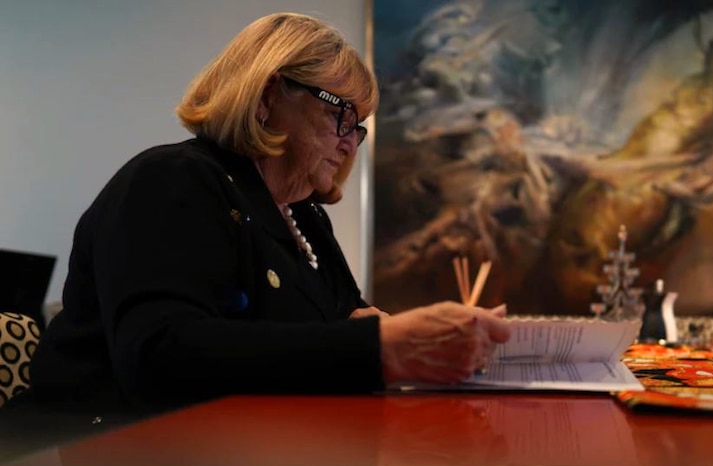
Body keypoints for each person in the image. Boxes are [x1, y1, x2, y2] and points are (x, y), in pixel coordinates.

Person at [18, 13, 511, 431]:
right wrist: (378, 346)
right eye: (341, 115)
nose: (350, 143)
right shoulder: (174, 180)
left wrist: (373, 329)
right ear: (268, 95)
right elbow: (160, 356)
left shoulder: (306, 217)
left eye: (358, 128)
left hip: (240, 464)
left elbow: (343, 326)